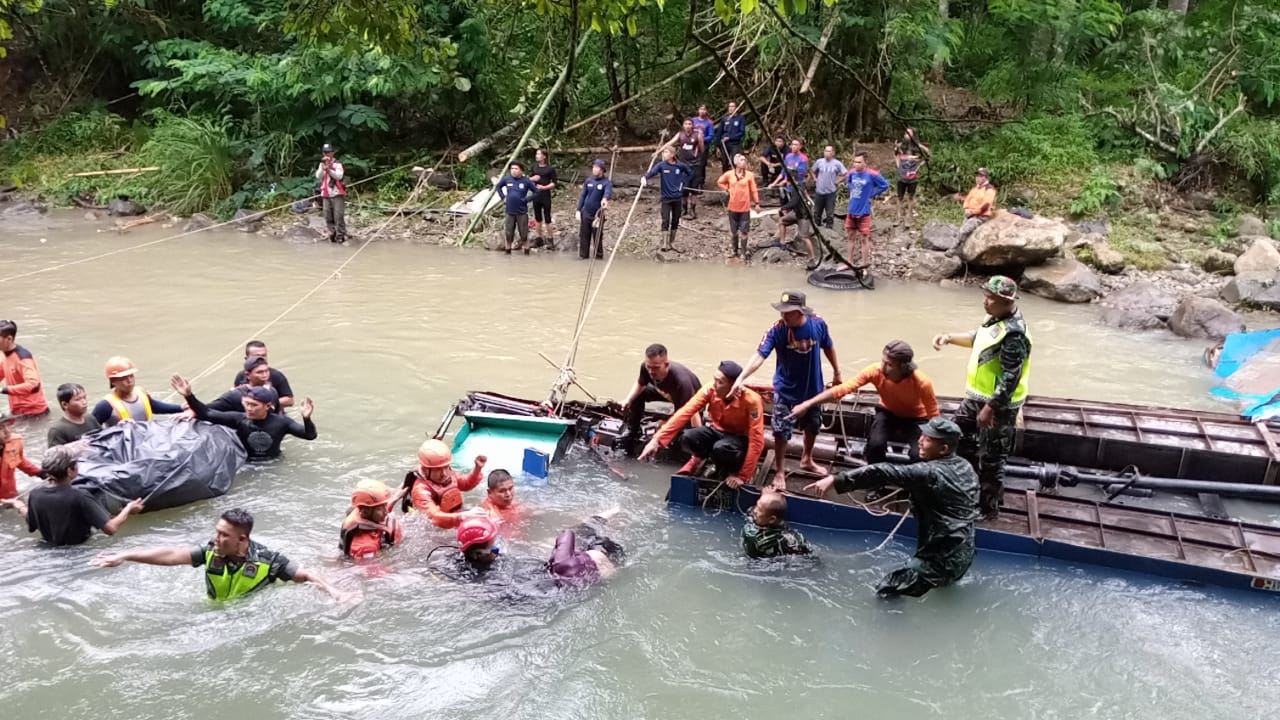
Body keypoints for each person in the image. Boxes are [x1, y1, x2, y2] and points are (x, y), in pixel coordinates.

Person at [804, 418, 979, 597]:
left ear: (943, 449)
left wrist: (835, 479)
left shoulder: (928, 473)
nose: (919, 440)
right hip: (965, 553)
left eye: (927, 439)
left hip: (940, 561)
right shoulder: (966, 468)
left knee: (886, 589)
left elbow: (882, 471)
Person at [932, 276, 1032, 518]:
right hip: (977, 397)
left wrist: (990, 408)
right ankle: (966, 485)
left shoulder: (1014, 334)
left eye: (991, 299)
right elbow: (977, 337)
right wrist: (949, 337)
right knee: (954, 434)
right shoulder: (994, 319)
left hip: (998, 405)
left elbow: (1011, 377)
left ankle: (989, 509)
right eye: (986, 296)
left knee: (992, 458)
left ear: (1006, 302)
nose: (985, 302)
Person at [91, 508, 342, 601]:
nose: (216, 539)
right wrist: (126, 555)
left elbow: (307, 575)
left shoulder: (268, 561)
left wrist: (336, 592)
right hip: (217, 606)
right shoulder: (211, 551)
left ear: (242, 540)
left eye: (224, 535)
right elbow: (171, 554)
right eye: (217, 531)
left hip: (250, 611)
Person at [729, 291, 841, 490]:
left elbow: (829, 347)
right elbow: (759, 356)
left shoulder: (818, 324)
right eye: (782, 312)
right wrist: (741, 378)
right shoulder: (777, 330)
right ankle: (780, 470)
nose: (783, 316)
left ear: (800, 311)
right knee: (781, 432)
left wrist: (837, 373)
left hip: (813, 389)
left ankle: (807, 458)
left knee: (813, 425)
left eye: (788, 313)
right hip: (786, 391)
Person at [790, 341, 939, 464]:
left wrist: (929, 439)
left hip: (916, 419)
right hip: (888, 413)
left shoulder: (921, 382)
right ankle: (874, 484)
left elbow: (933, 414)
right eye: (883, 361)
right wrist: (807, 404)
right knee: (875, 445)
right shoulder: (875, 371)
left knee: (919, 454)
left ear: (904, 367)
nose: (883, 367)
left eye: (889, 364)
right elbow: (843, 389)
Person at [639, 360, 765, 488]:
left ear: (734, 385)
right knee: (686, 437)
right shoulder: (710, 389)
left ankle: (728, 469)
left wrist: (743, 476)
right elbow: (685, 412)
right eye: (714, 379)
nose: (715, 385)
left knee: (721, 449)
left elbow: (756, 440)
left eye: (720, 382)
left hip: (739, 438)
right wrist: (657, 440)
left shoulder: (752, 401)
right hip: (717, 430)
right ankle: (698, 457)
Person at [1, 445, 143, 546]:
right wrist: (128, 509)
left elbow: (32, 520)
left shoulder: (35, 495)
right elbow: (111, 529)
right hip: (79, 553)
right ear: (70, 470)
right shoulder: (80, 496)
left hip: (48, 551)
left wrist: (17, 504)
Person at [454, 510, 624, 588]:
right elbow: (567, 535)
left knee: (586, 535)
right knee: (593, 541)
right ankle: (610, 514)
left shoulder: (466, 567)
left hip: (541, 580)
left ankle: (606, 515)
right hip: (554, 578)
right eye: (495, 548)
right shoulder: (567, 566)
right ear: (476, 554)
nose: (498, 550)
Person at [169, 375, 317, 461]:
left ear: (268, 406)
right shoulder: (238, 419)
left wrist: (306, 419)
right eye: (246, 404)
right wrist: (188, 395)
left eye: (254, 405)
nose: (249, 408)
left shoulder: (282, 422)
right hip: (246, 463)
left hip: (272, 463)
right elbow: (206, 413)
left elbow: (309, 435)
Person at [619, 344, 702, 456]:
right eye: (649, 367)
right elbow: (640, 384)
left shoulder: (682, 382)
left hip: (691, 403)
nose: (651, 371)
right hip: (665, 393)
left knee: (681, 435)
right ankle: (633, 430)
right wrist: (628, 400)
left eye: (656, 368)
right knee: (638, 395)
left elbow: (693, 410)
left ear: (666, 365)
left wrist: (699, 439)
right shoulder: (646, 367)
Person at [401, 438, 486, 528]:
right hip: (435, 529)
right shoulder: (420, 490)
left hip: (454, 516)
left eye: (446, 467)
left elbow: (466, 484)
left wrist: (477, 469)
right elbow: (434, 517)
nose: (444, 473)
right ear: (426, 469)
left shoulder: (449, 474)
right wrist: (463, 516)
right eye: (438, 469)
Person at [91, 357, 187, 426]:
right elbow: (91, 431)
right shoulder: (105, 406)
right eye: (124, 378)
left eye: (131, 376)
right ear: (113, 381)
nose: (129, 381)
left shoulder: (140, 392)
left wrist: (181, 407)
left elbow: (154, 406)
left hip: (147, 441)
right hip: (123, 450)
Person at [844, 152, 891, 282]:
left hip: (864, 212)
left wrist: (872, 194)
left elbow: (885, 185)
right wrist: (852, 190)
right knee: (850, 237)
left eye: (859, 162)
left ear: (865, 162)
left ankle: (864, 266)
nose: (856, 164)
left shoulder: (872, 174)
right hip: (852, 209)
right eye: (854, 162)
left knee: (864, 239)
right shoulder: (852, 173)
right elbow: (848, 182)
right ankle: (849, 262)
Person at [642, 147, 692, 252]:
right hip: (666, 198)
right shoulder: (661, 165)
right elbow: (652, 172)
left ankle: (671, 242)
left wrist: (683, 183)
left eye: (666, 152)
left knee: (675, 220)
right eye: (663, 152)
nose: (664, 154)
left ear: (672, 154)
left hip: (677, 198)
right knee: (665, 220)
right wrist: (644, 177)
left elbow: (690, 173)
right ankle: (664, 243)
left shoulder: (680, 166)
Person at [339, 479, 404, 559]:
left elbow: (377, 508)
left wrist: (396, 498)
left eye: (385, 505)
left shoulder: (361, 511)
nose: (386, 511)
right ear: (366, 511)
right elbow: (371, 568)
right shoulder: (366, 548)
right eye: (381, 509)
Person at [742, 489, 813, 559]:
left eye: (759, 509)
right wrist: (765, 497)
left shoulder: (759, 540)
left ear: (772, 519)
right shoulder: (796, 538)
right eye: (756, 505)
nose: (755, 510)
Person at [716, 153, 761, 258]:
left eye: (745, 160)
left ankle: (743, 253)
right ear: (736, 163)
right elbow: (719, 182)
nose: (744, 162)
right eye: (741, 160)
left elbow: (754, 190)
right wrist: (727, 189)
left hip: (745, 207)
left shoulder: (749, 175)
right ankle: (734, 251)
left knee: (744, 231)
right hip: (733, 207)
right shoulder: (729, 174)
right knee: (734, 231)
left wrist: (757, 203)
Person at [1, 320, 49, 417]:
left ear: (9, 339)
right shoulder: (5, 355)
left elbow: (34, 385)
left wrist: (3, 390)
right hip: (18, 411)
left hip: (34, 414)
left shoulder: (23, 359)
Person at [231, 341, 294, 409]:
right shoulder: (240, 376)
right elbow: (233, 395)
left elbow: (290, 400)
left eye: (264, 355)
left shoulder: (276, 375)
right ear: (246, 359)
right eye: (256, 356)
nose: (261, 359)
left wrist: (266, 403)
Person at [209, 356, 283, 414]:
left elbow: (278, 413)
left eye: (266, 371)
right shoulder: (235, 395)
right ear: (247, 375)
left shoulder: (272, 391)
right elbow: (208, 410)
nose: (264, 375)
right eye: (259, 372)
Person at [497, 161, 539, 254]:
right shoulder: (507, 179)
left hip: (522, 212)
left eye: (516, 169)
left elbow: (536, 192)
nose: (513, 171)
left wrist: (527, 199)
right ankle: (508, 252)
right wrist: (503, 197)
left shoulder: (526, 181)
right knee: (508, 234)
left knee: (523, 234)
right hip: (509, 211)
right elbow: (498, 186)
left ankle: (526, 252)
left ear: (521, 170)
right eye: (512, 169)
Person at [576, 159, 613, 260]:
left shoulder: (606, 183)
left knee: (597, 237)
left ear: (602, 170)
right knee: (584, 237)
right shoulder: (589, 181)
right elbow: (583, 195)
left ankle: (598, 257)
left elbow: (608, 193)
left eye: (597, 168)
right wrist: (578, 210)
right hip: (586, 213)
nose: (594, 169)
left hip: (598, 214)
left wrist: (605, 199)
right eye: (594, 167)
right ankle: (583, 257)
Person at [46, 383, 101, 447]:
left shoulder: (90, 419)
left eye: (84, 397)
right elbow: (56, 455)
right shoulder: (57, 430)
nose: (84, 402)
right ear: (65, 405)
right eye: (78, 399)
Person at [953, 167, 997, 246]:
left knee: (963, 230)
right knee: (961, 231)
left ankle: (952, 249)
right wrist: (966, 209)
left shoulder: (989, 190)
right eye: (977, 176)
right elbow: (967, 200)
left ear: (986, 177)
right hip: (971, 214)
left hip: (981, 216)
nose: (978, 178)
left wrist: (972, 212)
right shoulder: (975, 189)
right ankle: (960, 246)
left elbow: (985, 206)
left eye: (981, 176)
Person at [1, 421, 41, 501]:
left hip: (10, 493)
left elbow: (19, 460)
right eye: (0, 428)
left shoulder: (15, 441)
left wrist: (39, 473)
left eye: (8, 425)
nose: (7, 431)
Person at [777, 176, 815, 259]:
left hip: (803, 215)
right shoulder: (796, 186)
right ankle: (782, 242)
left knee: (804, 237)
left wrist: (783, 208)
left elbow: (794, 202)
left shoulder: (797, 189)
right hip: (796, 213)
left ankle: (812, 257)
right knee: (782, 221)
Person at [674, 118, 705, 219]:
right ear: (683, 125)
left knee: (694, 189)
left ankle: (693, 209)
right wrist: (659, 150)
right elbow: (670, 143)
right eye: (686, 124)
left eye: (689, 124)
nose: (687, 126)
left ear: (692, 125)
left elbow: (702, 148)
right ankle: (684, 209)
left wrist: (698, 159)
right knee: (683, 189)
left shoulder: (697, 135)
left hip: (695, 165)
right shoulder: (680, 134)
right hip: (683, 165)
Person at [316, 143, 347, 244]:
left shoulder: (338, 164)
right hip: (326, 194)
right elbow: (318, 176)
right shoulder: (321, 164)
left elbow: (339, 176)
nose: (327, 154)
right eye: (325, 152)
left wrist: (329, 170)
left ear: (333, 153)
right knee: (328, 216)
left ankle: (340, 236)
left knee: (338, 216)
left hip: (337, 193)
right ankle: (332, 234)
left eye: (329, 152)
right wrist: (323, 168)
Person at [811, 146, 847, 229]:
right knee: (817, 212)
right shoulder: (819, 162)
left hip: (830, 192)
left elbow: (845, 173)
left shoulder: (837, 163)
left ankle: (829, 229)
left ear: (833, 153)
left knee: (830, 213)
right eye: (825, 151)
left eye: (829, 151)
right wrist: (814, 178)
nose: (827, 153)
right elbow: (812, 170)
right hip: (819, 191)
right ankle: (817, 227)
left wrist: (837, 181)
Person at [530, 148, 558, 248]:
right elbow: (530, 180)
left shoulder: (550, 169)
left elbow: (554, 183)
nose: (536, 155)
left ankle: (550, 239)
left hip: (545, 195)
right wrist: (533, 180)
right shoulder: (534, 167)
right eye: (536, 154)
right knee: (537, 218)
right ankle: (539, 239)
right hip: (536, 195)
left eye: (538, 154)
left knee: (547, 218)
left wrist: (544, 187)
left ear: (544, 156)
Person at [894, 140, 925, 227]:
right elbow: (895, 154)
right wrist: (898, 166)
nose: (906, 135)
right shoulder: (902, 147)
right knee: (899, 197)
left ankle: (908, 218)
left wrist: (918, 167)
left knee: (910, 197)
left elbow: (928, 156)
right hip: (901, 177)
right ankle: (898, 217)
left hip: (912, 178)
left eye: (909, 133)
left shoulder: (917, 149)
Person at [717, 101, 746, 172]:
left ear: (736, 108)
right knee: (724, 162)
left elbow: (742, 132)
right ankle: (725, 178)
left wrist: (730, 137)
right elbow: (719, 132)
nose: (731, 108)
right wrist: (717, 145)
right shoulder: (724, 118)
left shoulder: (740, 118)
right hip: (724, 144)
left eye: (733, 106)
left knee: (735, 161)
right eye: (729, 106)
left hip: (735, 144)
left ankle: (735, 178)